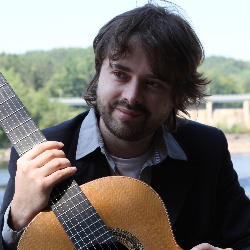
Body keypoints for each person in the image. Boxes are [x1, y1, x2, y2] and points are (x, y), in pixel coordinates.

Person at [0, 2, 250, 250]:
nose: (132, 96)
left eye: (153, 83)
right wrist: (18, 216)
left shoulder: (208, 148)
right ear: (99, 71)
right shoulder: (39, 153)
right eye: (120, 73)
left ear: (177, 94)